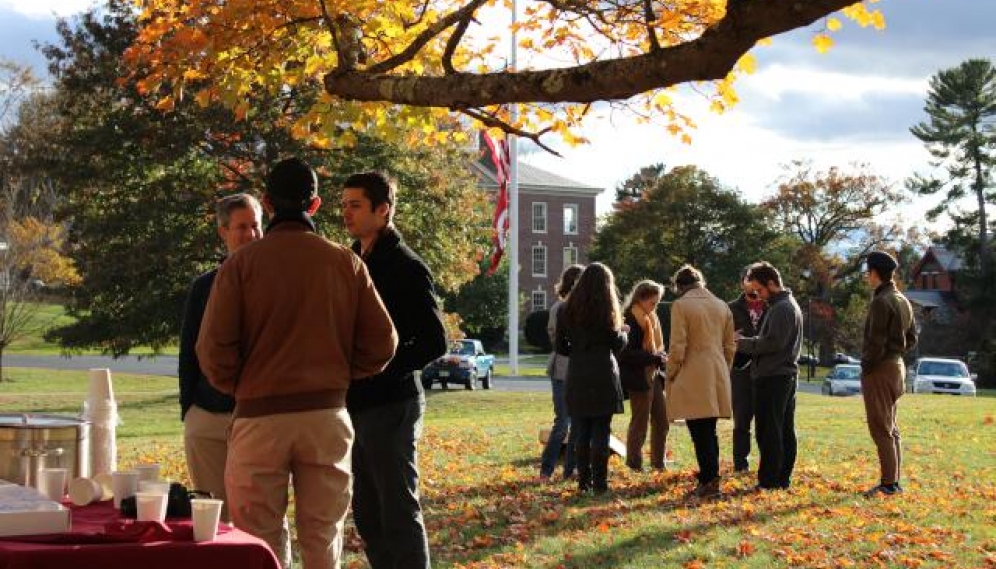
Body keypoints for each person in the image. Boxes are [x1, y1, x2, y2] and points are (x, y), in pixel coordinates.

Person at [197, 157, 398, 569]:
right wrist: (340, 374)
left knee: (258, 537)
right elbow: (383, 342)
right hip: (326, 415)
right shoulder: (345, 263)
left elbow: (212, 349)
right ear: (316, 204)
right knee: (323, 534)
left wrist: (242, 386)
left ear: (267, 204)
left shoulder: (240, 267)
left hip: (259, 416)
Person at [341, 171, 447, 569]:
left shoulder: (406, 266)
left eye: (355, 205)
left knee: (397, 508)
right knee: (367, 510)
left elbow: (436, 342)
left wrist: (380, 369)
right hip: (356, 404)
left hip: (392, 403)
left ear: (383, 210)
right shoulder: (351, 260)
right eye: (344, 204)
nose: (346, 213)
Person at [179, 193, 262, 523]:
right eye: (241, 227)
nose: (251, 234)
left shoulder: (274, 282)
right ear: (223, 232)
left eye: (256, 226)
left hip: (257, 417)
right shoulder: (204, 287)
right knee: (213, 519)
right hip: (207, 418)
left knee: (261, 516)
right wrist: (190, 409)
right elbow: (189, 352)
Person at [665, 265, 736, 499]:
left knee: (699, 431)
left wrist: (671, 372)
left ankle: (708, 480)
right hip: (716, 371)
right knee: (709, 430)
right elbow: (730, 346)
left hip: (692, 371)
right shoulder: (722, 305)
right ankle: (711, 477)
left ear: (680, 286)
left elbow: (678, 346)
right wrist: (724, 369)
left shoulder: (681, 305)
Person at [556, 262, 627, 494]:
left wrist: (578, 349)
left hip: (577, 373)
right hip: (602, 373)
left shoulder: (566, 310)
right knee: (601, 431)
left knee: (581, 431)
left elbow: (561, 347)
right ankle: (600, 484)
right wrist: (624, 335)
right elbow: (616, 344)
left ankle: (583, 482)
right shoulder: (607, 311)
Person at [736, 261, 803, 491]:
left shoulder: (783, 308)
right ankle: (779, 478)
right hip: (778, 375)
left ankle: (770, 480)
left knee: (770, 431)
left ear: (773, 283)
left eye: (760, 290)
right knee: (780, 428)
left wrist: (741, 343)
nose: (758, 295)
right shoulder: (779, 305)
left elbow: (772, 343)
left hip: (774, 376)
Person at [860, 251, 917, 497]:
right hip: (897, 366)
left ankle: (888, 484)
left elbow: (876, 342)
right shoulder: (902, 299)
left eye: (868, 273)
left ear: (874, 273)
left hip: (881, 368)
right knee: (890, 427)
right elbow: (913, 337)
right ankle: (892, 480)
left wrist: (866, 365)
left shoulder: (881, 301)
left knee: (880, 428)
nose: (867, 277)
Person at [539, 264, 584, 482]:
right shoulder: (560, 308)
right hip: (562, 369)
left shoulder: (584, 308)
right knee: (562, 423)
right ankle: (546, 470)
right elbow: (555, 338)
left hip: (579, 370)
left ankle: (571, 469)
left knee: (576, 422)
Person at [619, 280, 669, 472]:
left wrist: (659, 357)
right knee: (640, 422)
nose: (654, 308)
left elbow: (656, 346)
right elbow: (625, 353)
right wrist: (652, 357)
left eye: (657, 303)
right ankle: (634, 464)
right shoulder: (630, 318)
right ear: (640, 299)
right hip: (638, 376)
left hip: (653, 374)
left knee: (662, 420)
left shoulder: (651, 318)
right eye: (652, 303)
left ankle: (659, 463)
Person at [727, 268, 767, 473]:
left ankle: (766, 464)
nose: (752, 285)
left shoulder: (772, 305)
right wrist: (729, 338)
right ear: (742, 283)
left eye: (755, 281)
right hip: (740, 371)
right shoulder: (730, 308)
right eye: (747, 280)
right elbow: (720, 338)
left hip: (767, 368)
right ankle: (740, 464)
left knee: (765, 420)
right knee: (741, 420)